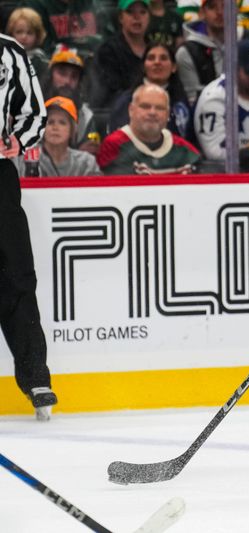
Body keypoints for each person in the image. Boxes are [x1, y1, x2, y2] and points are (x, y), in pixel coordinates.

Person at [0, 32, 57, 420]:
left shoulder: (9, 51)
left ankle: (36, 376)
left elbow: (34, 111)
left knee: (16, 275)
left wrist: (19, 140)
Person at [97, 84, 201, 174]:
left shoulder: (185, 151)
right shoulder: (113, 146)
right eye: (145, 106)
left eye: (160, 108)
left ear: (168, 114)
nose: (152, 113)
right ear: (131, 110)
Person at [107, 42, 192, 139]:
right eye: (151, 58)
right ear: (143, 67)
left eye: (163, 58)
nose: (157, 62)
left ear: (174, 67)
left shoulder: (181, 104)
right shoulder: (126, 101)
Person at [90, 0, 151, 110]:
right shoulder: (108, 51)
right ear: (120, 18)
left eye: (142, 12)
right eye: (130, 12)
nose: (137, 17)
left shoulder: (155, 50)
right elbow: (111, 94)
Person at [19, 96, 102, 176]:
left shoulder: (86, 162)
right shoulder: (26, 159)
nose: (55, 127)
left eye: (62, 122)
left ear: (73, 130)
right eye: (50, 122)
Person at [42, 46, 100, 155]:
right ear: (50, 75)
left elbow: (89, 150)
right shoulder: (30, 109)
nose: (67, 81)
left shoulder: (85, 115)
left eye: (74, 76)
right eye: (62, 73)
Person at [176, 0, 225, 104]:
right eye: (212, 7)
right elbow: (194, 100)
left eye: (225, 6)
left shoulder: (246, 40)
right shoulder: (187, 51)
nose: (220, 12)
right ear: (202, 13)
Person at [5, 7, 49, 80]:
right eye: (19, 32)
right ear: (11, 33)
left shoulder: (41, 61)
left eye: (29, 33)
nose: (24, 37)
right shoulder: (5, 57)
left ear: (37, 36)